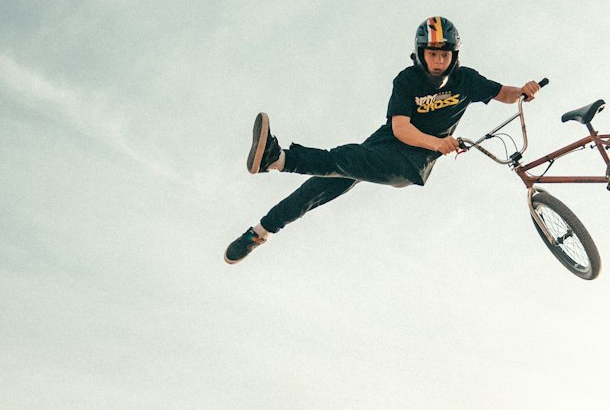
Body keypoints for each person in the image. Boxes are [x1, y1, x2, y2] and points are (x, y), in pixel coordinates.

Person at [224, 16, 542, 263]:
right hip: (386, 145)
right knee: (321, 184)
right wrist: (439, 142)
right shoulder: (407, 80)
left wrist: (523, 92)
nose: (439, 61)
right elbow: (401, 128)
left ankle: (278, 159)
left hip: (410, 164)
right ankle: (259, 233)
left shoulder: (467, 80)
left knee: (343, 158)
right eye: (432, 54)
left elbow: (503, 93)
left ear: (453, 55)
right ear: (421, 54)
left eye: (444, 55)